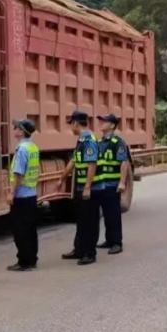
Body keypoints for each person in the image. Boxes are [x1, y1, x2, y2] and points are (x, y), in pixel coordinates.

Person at [56, 111, 100, 265]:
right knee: (81, 220)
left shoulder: (89, 140)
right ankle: (79, 249)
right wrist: (62, 178)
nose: (71, 128)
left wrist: (88, 186)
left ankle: (89, 253)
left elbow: (91, 164)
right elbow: (73, 161)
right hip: (80, 185)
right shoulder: (81, 140)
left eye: (71, 124)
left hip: (89, 188)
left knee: (89, 221)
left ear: (76, 123)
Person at [93, 113, 130, 255]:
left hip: (112, 184)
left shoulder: (118, 142)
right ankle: (109, 240)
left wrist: (122, 182)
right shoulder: (100, 142)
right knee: (106, 214)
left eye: (104, 121)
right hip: (101, 184)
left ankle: (116, 242)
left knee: (113, 214)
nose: (101, 123)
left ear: (112, 125)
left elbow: (123, 162)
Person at [7, 119, 41, 271]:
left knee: (20, 230)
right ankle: (32, 259)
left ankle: (24, 261)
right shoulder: (33, 147)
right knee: (31, 229)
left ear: (22, 131)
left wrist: (11, 192)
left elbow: (18, 173)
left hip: (21, 195)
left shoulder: (21, 149)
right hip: (31, 194)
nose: (14, 129)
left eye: (16, 127)